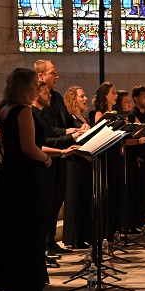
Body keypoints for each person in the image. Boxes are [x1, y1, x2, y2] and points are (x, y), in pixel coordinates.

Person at [0, 68, 53, 291]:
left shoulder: (3, 110)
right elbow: (29, 147)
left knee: (12, 232)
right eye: (35, 85)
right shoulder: (23, 111)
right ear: (25, 87)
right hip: (26, 178)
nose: (37, 89)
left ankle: (12, 283)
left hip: (9, 176)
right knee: (29, 232)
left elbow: (8, 147)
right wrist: (46, 159)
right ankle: (27, 289)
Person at [31, 81, 82, 267]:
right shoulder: (32, 113)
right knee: (44, 210)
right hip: (41, 166)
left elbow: (48, 136)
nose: (49, 95)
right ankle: (43, 250)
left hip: (49, 161)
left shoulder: (42, 113)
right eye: (45, 93)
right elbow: (42, 142)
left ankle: (47, 245)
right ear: (35, 94)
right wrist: (63, 149)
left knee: (51, 206)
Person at [62, 86, 94, 249]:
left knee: (85, 198)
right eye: (82, 96)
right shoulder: (69, 117)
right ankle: (74, 237)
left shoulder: (84, 117)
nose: (85, 98)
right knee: (75, 198)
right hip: (75, 162)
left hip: (86, 162)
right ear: (73, 99)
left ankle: (85, 234)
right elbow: (68, 138)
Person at [90, 82, 124, 238]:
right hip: (106, 156)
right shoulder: (99, 113)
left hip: (116, 154)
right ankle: (106, 231)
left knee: (117, 191)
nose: (116, 95)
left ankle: (115, 228)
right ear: (105, 96)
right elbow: (99, 135)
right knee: (107, 192)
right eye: (113, 93)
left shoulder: (116, 114)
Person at [127, 85, 145, 231]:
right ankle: (134, 222)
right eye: (144, 96)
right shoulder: (131, 115)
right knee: (137, 190)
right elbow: (131, 137)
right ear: (136, 98)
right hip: (137, 158)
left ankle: (142, 220)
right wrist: (135, 155)